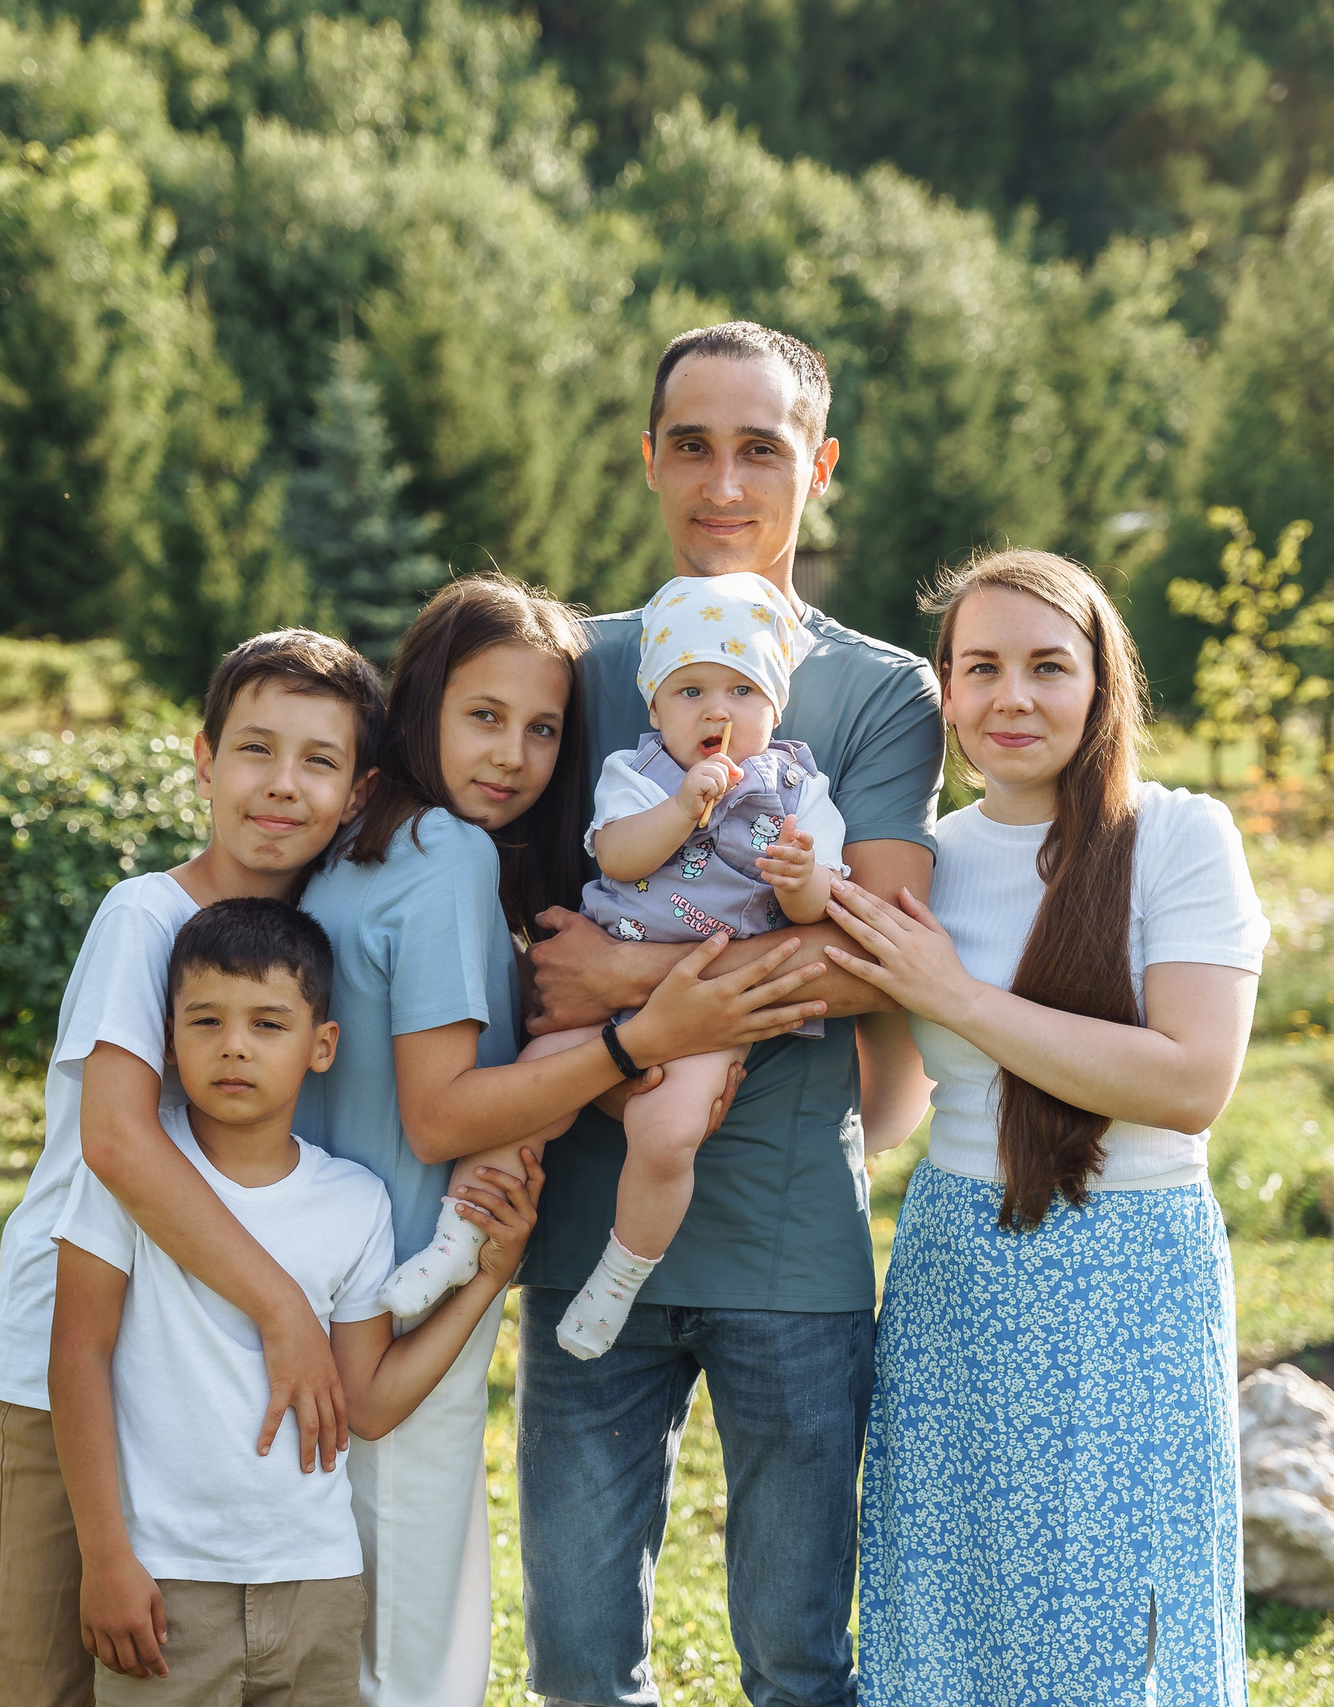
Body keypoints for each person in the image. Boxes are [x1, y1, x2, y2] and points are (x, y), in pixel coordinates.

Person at [296, 572, 829, 1707]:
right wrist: (646, 1040)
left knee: (320, 1608)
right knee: (412, 1637)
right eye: (483, 717)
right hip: (408, 1269)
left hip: (329, 1264)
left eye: (542, 730)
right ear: (422, 701)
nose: (513, 756)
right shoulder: (448, 857)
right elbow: (444, 1112)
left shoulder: (361, 839)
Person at [514, 322, 944, 1707]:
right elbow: (521, 925)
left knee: (800, 1661)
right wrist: (572, 980)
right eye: (691, 443)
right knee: (581, 1663)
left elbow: (882, 953)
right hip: (585, 1224)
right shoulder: (574, 666)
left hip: (790, 1241)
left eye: (761, 446)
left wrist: (626, 983)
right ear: (650, 459)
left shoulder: (879, 692)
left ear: (817, 466)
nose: (723, 480)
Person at [818, 549, 1266, 1705]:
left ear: (1100, 683)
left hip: (1131, 1272)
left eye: (1046, 666)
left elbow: (1188, 1080)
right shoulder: (925, 865)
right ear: (946, 691)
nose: (1012, 697)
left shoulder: (1176, 837)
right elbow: (898, 1092)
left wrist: (955, 992)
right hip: (956, 1266)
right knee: (945, 1612)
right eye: (982, 668)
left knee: (1116, 1624)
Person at [0, 630, 385, 1707]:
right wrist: (285, 1309)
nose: (281, 785)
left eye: (318, 760)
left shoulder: (293, 942)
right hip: (65, 1368)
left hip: (194, 1399)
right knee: (44, 1681)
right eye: (255, 749)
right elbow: (116, 1140)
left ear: (355, 794)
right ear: (201, 761)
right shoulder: (147, 917)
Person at [47, 898, 544, 1707]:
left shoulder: (354, 1201)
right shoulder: (135, 1176)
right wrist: (105, 1557)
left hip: (317, 1578)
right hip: (164, 1581)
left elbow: (369, 1402)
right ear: (168, 1038)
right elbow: (77, 1354)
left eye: (268, 1024)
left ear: (322, 1046)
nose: (234, 1044)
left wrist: (489, 1277)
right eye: (205, 1020)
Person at [380, 570, 845, 1362]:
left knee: (667, 1134)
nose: (716, 711)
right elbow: (620, 855)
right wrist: (682, 808)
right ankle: (458, 1236)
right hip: (600, 1000)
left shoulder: (799, 793)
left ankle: (620, 1275)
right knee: (532, 1092)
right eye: (690, 690)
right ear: (656, 706)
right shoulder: (638, 775)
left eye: (741, 690)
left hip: (707, 1016)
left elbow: (818, 912)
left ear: (775, 706)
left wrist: (804, 882)